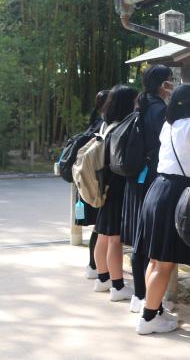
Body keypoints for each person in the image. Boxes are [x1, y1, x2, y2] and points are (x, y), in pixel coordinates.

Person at [133, 83, 190, 335]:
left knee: (155, 260)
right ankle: (148, 318)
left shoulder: (169, 125)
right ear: (189, 103)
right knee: (164, 263)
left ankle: (153, 308)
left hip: (157, 189)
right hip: (176, 192)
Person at [121, 65, 174, 314]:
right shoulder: (159, 110)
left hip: (136, 179)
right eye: (171, 81)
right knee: (148, 244)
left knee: (139, 241)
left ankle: (140, 295)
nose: (173, 85)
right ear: (163, 85)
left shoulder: (142, 104)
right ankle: (149, 302)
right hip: (151, 178)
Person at [93, 85, 138, 304]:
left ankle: (103, 278)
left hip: (105, 186)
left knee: (103, 235)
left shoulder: (106, 125)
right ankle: (117, 285)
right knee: (115, 239)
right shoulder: (122, 127)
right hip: (117, 188)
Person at [80, 89, 110, 280]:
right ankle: (96, 267)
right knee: (101, 228)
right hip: (99, 183)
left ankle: (94, 266)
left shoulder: (96, 121)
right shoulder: (104, 124)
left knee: (98, 228)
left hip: (91, 181)